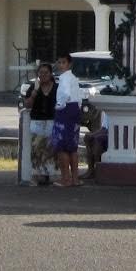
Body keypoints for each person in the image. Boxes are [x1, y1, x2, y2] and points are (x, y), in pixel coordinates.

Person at [50, 54, 83, 187]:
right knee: (73, 147)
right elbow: (79, 97)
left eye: (63, 62)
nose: (60, 65)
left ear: (69, 64)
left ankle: (65, 179)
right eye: (59, 62)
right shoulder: (74, 78)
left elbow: (65, 94)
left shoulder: (64, 78)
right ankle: (75, 178)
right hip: (75, 110)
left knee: (62, 146)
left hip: (66, 110)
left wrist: (59, 105)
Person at [22, 62, 56, 186]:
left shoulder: (57, 87)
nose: (43, 75)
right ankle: (36, 175)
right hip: (37, 121)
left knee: (50, 149)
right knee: (36, 149)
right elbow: (27, 104)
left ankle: (48, 175)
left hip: (52, 122)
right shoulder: (34, 87)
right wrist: (34, 93)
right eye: (41, 73)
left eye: (46, 72)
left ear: (51, 74)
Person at [82, 100, 108, 179]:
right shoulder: (107, 111)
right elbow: (103, 128)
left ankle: (97, 170)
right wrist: (91, 135)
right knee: (88, 137)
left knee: (97, 139)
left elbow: (107, 130)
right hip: (105, 132)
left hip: (112, 134)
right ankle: (90, 170)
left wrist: (94, 135)